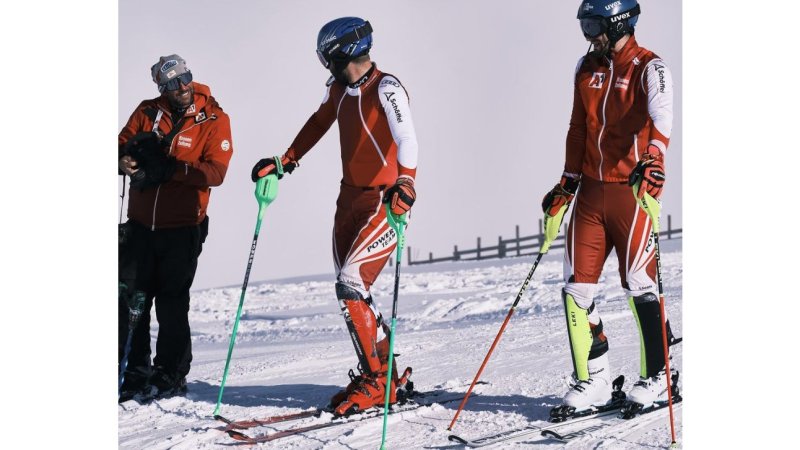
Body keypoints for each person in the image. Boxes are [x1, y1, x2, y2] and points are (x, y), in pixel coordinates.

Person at [251, 17, 419, 416]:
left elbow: (407, 137)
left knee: (351, 285)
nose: (324, 64)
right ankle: (385, 375)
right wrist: (286, 160)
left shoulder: (387, 88)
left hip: (385, 200)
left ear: (342, 54)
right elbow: (319, 122)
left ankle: (376, 382)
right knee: (353, 293)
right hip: (349, 199)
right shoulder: (339, 90)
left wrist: (406, 182)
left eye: (326, 57)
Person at [541, 0, 677, 413]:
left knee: (639, 284)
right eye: (584, 25)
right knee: (576, 290)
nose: (588, 35)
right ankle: (594, 380)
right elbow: (577, 127)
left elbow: (662, 117)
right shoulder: (586, 68)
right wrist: (567, 181)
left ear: (618, 22)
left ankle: (659, 376)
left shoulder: (650, 67)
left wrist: (654, 158)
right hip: (590, 195)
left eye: (593, 25)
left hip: (631, 192)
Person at [118, 54, 233, 402]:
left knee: (171, 304)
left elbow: (216, 172)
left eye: (185, 79)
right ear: (161, 87)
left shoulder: (213, 118)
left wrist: (171, 169)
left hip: (183, 227)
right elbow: (120, 145)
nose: (181, 87)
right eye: (171, 83)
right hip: (140, 226)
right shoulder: (147, 111)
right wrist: (124, 161)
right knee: (131, 301)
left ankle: (170, 373)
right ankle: (134, 373)